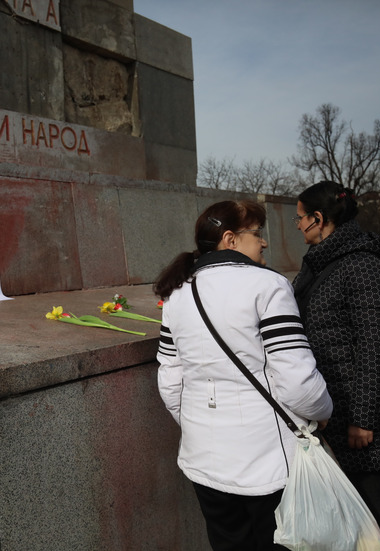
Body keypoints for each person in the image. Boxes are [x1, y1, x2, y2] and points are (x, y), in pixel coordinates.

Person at [155, 200, 333, 551]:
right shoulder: (268, 285)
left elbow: (170, 380)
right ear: (231, 240)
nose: (264, 242)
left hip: (203, 459)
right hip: (266, 463)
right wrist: (322, 412)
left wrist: (197, 423)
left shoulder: (176, 294)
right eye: (257, 234)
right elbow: (297, 382)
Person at [292, 180, 380, 551]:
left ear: (319, 219)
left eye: (300, 218)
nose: (297, 226)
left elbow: (373, 343)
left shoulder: (362, 264)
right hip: (332, 408)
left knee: (373, 520)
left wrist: (364, 419)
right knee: (348, 520)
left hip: (359, 414)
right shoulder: (317, 263)